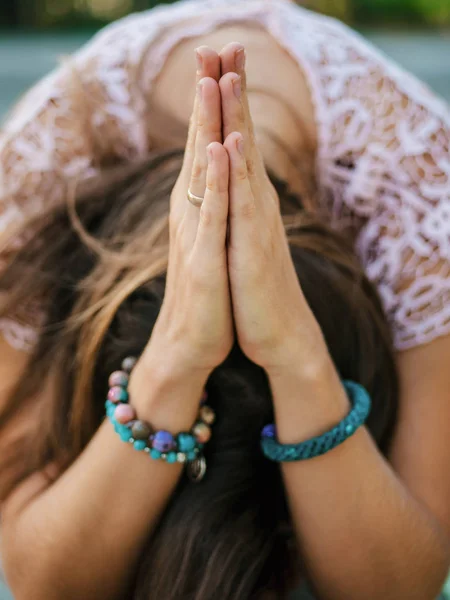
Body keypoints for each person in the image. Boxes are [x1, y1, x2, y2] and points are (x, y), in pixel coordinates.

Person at [0, 0, 449, 598]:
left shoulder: (423, 204)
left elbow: (401, 584)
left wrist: (297, 354)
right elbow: (38, 577)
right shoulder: (36, 180)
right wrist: (174, 356)